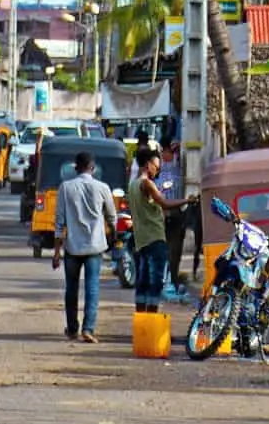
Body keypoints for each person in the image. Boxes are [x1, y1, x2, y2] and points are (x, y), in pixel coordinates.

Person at [53, 151, 120, 343]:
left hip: (73, 247)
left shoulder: (65, 188)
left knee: (71, 289)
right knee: (92, 288)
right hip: (95, 247)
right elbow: (112, 217)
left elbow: (59, 223)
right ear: (93, 168)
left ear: (75, 168)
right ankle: (88, 329)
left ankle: (72, 328)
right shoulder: (102, 187)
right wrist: (114, 237)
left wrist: (57, 252)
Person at [128, 147, 193, 314]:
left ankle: (141, 317)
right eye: (156, 167)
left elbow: (151, 203)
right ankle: (151, 318)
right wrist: (187, 200)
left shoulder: (133, 185)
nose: (158, 170)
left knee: (143, 281)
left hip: (142, 240)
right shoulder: (147, 183)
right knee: (156, 281)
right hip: (155, 238)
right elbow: (164, 203)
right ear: (147, 165)